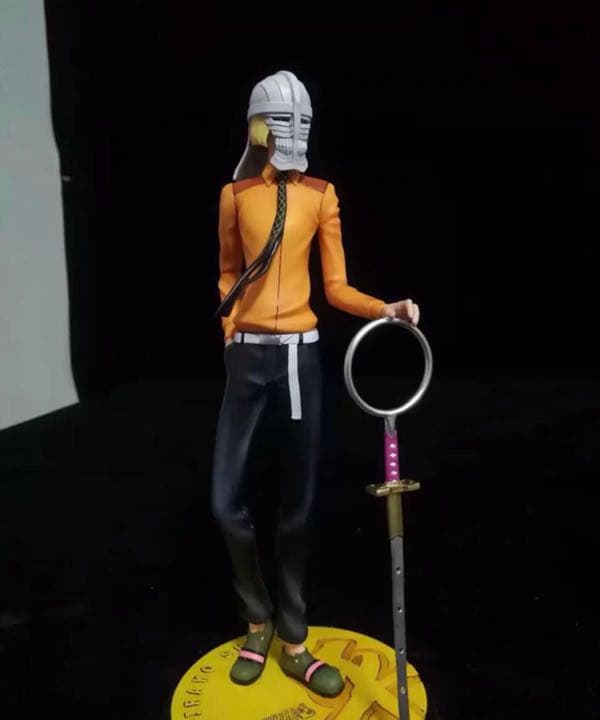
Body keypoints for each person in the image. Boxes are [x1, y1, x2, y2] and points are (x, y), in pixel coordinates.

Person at [212, 70, 420, 697]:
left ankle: (295, 639)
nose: (293, 132)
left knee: (296, 507)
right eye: (281, 120)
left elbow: (335, 287)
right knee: (226, 501)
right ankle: (257, 620)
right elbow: (227, 273)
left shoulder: (321, 195)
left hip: (300, 360)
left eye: (301, 120)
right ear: (258, 125)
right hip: (247, 359)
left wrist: (385, 307)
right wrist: (230, 332)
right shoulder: (235, 195)